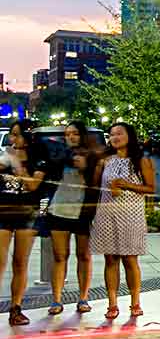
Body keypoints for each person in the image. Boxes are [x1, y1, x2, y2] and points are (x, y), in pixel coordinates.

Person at [90, 122, 153, 320]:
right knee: (110, 259)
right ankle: (112, 303)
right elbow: (95, 186)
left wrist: (127, 185)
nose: (114, 137)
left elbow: (150, 188)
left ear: (129, 136)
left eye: (119, 133)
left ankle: (135, 302)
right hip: (107, 213)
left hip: (131, 214)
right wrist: (97, 167)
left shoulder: (141, 160)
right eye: (111, 135)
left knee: (130, 259)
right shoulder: (106, 160)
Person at [44, 123, 100, 316]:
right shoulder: (59, 156)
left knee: (84, 255)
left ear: (82, 135)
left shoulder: (93, 156)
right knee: (60, 256)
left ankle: (83, 298)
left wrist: (87, 167)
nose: (71, 137)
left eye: (75, 133)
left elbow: (98, 183)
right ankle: (56, 299)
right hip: (59, 209)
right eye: (68, 134)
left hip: (83, 211)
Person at [2, 122, 46, 326]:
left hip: (26, 214)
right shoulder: (3, 158)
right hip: (2, 213)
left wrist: (17, 164)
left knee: (20, 262)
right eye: (12, 135)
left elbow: (32, 185)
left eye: (17, 135)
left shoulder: (39, 161)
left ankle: (15, 308)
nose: (13, 139)